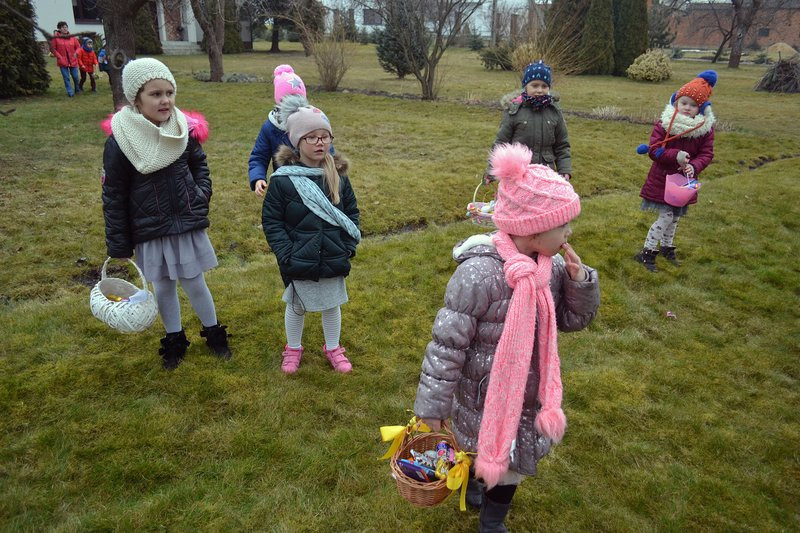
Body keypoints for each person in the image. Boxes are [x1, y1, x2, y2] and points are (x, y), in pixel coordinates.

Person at [414, 143, 599, 532]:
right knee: (477, 449)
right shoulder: (479, 275)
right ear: (533, 230)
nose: (569, 232)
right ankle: (476, 484)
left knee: (512, 466)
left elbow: (571, 320)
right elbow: (447, 347)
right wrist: (432, 406)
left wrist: (580, 284)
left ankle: (492, 521)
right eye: (563, 224)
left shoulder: (552, 269)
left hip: (529, 397)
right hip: (482, 396)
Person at [101, 58, 232, 370]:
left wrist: (201, 194)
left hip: (185, 222)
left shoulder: (182, 130)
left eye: (169, 92)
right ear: (136, 98)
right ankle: (175, 339)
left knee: (194, 281)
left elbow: (199, 165)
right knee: (162, 286)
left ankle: (213, 332)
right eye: (155, 94)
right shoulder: (121, 140)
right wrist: (119, 243)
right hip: (150, 228)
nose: (165, 100)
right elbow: (114, 193)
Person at [261, 101, 360, 374]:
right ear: (297, 141)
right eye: (312, 137)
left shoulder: (337, 176)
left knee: (332, 304)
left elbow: (351, 213)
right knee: (297, 305)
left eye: (325, 136)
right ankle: (293, 348)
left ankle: (333, 347)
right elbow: (272, 221)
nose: (320, 142)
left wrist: (347, 247)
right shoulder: (282, 180)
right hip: (298, 256)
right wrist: (286, 254)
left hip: (332, 252)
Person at [633, 70, 717, 272]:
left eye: (693, 105)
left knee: (676, 216)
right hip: (663, 179)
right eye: (684, 103)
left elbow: (707, 154)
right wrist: (675, 155)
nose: (687, 108)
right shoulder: (665, 123)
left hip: (685, 181)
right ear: (676, 102)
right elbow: (654, 150)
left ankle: (667, 247)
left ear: (701, 107)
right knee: (666, 216)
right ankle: (647, 252)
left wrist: (694, 165)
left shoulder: (705, 129)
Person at [248, 65, 333, 196]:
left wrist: (333, 174)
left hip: (316, 181)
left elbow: (328, 152)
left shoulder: (313, 120)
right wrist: (258, 177)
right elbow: (259, 156)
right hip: (285, 184)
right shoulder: (270, 127)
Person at [486, 60, 572, 182]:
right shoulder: (514, 111)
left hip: (546, 173)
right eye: (535, 85)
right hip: (519, 174)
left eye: (544, 86)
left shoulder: (554, 112)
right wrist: (492, 170)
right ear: (526, 86)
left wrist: (564, 170)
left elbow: (562, 145)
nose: (540, 90)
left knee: (543, 200)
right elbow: (501, 144)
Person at [51, 21, 81, 97]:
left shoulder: (72, 37)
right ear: (59, 29)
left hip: (73, 60)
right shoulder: (55, 38)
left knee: (75, 76)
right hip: (62, 61)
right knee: (66, 77)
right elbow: (53, 49)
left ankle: (77, 89)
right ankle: (70, 92)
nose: (65, 29)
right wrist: (59, 56)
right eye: (63, 27)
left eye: (66, 27)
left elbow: (78, 47)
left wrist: (76, 53)